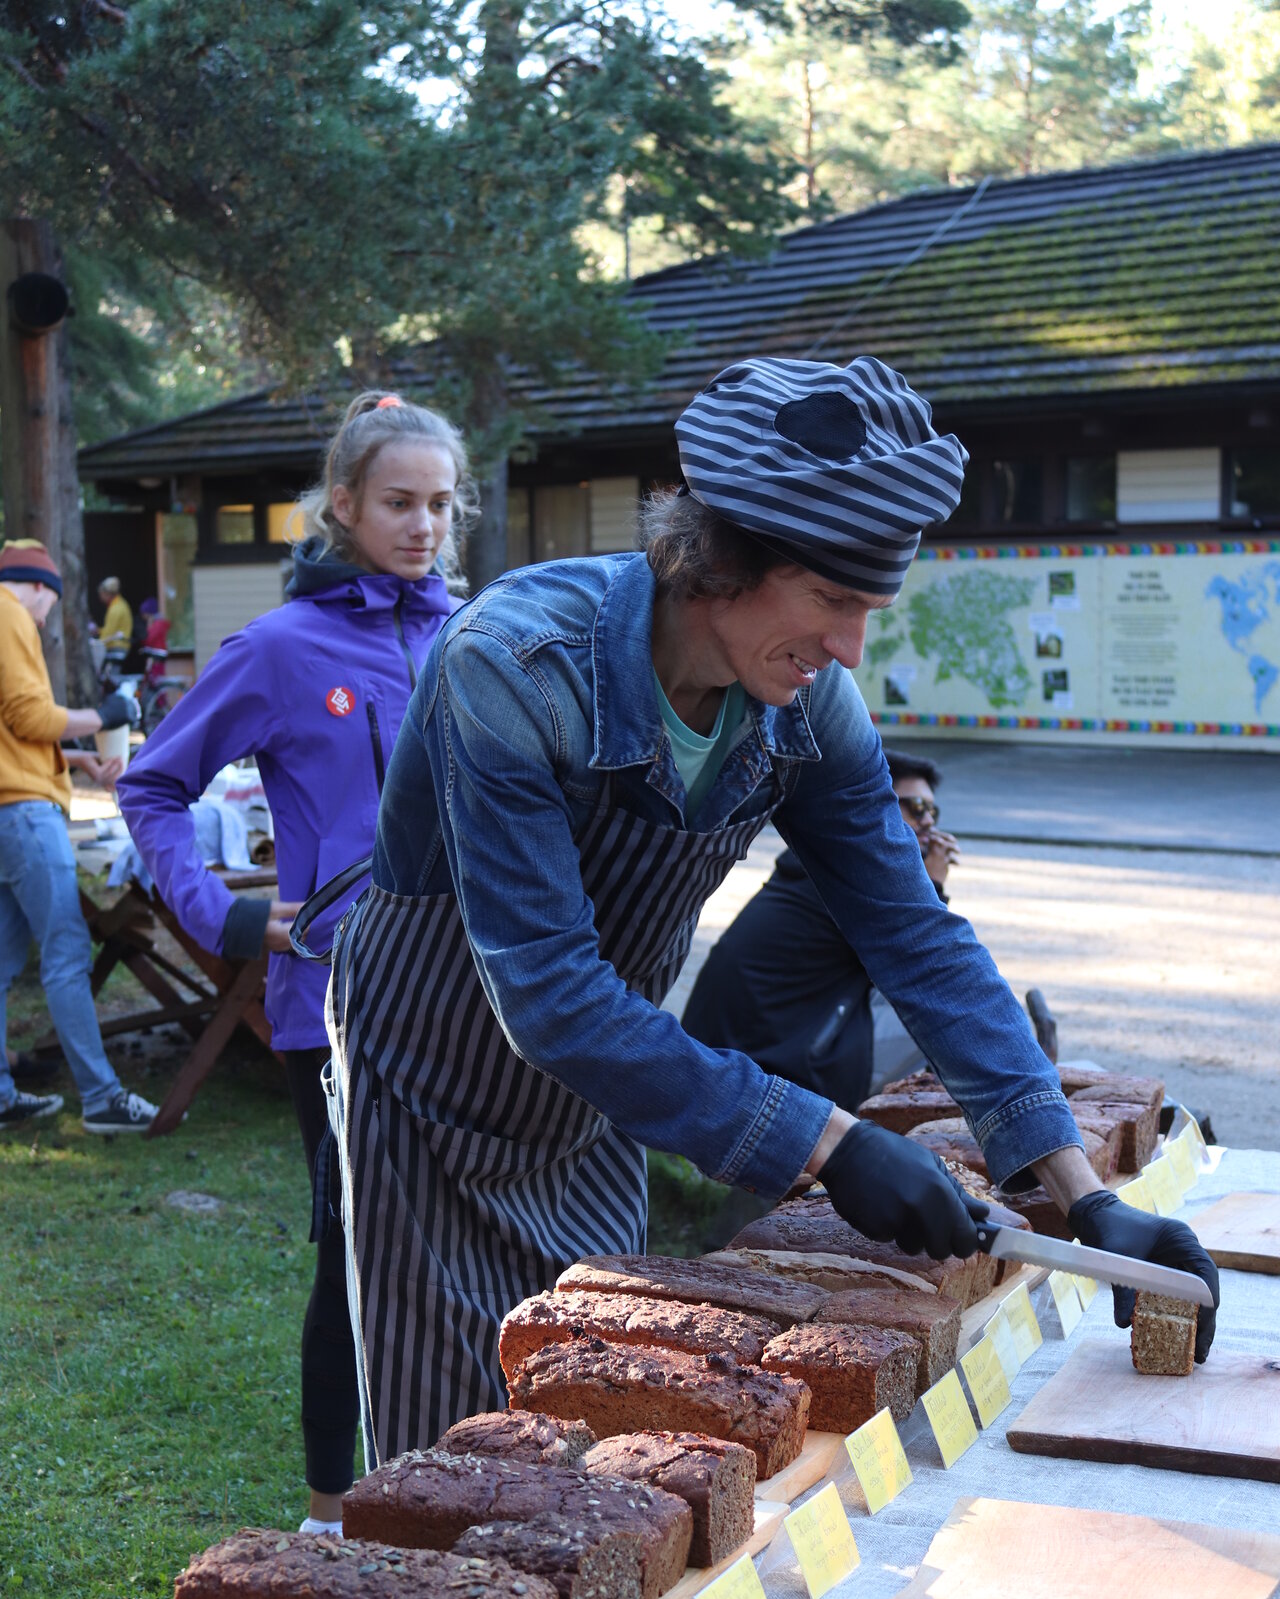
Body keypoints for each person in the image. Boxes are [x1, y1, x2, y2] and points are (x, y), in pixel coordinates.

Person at [323, 354, 1220, 1466]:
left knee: (589, 1408)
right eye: (832, 601)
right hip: (434, 1096)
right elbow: (549, 998)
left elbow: (912, 935)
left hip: (607, 1094)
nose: (849, 649)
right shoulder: (513, 667)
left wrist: (1076, 1192)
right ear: (722, 564)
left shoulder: (804, 706)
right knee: (454, 1451)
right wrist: (827, 1140)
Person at [119, 391, 470, 1534]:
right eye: (399, 503)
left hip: (476, 1000)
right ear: (342, 506)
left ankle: (465, 1484)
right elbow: (153, 785)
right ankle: (331, 1515)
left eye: (439, 504)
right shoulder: (278, 649)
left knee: (470, 1252)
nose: (422, 525)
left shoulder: (470, 633)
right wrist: (220, 921)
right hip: (335, 1007)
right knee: (356, 1262)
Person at [681, 748, 962, 1110]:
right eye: (916, 808)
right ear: (875, 803)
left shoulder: (825, 859)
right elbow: (922, 961)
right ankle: (889, 1120)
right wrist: (934, 886)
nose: (928, 822)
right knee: (947, 1007)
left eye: (933, 811)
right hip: (769, 1070)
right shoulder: (854, 877)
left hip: (747, 1048)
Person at [0, 539, 158, 1132]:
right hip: (23, 815)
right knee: (67, 953)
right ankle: (101, 1097)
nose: (46, 619)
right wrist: (107, 716)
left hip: (6, 808)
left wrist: (75, 760)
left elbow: (10, 731)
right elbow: (28, 715)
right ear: (39, 586)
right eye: (50, 604)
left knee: (2, 962)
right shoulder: (11, 613)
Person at [95, 576, 134, 669]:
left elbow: (109, 632)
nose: (100, 598)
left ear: (108, 594)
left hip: (116, 647)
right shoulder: (120, 604)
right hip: (121, 646)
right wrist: (99, 631)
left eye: (101, 594)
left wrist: (96, 643)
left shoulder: (115, 609)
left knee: (109, 678)